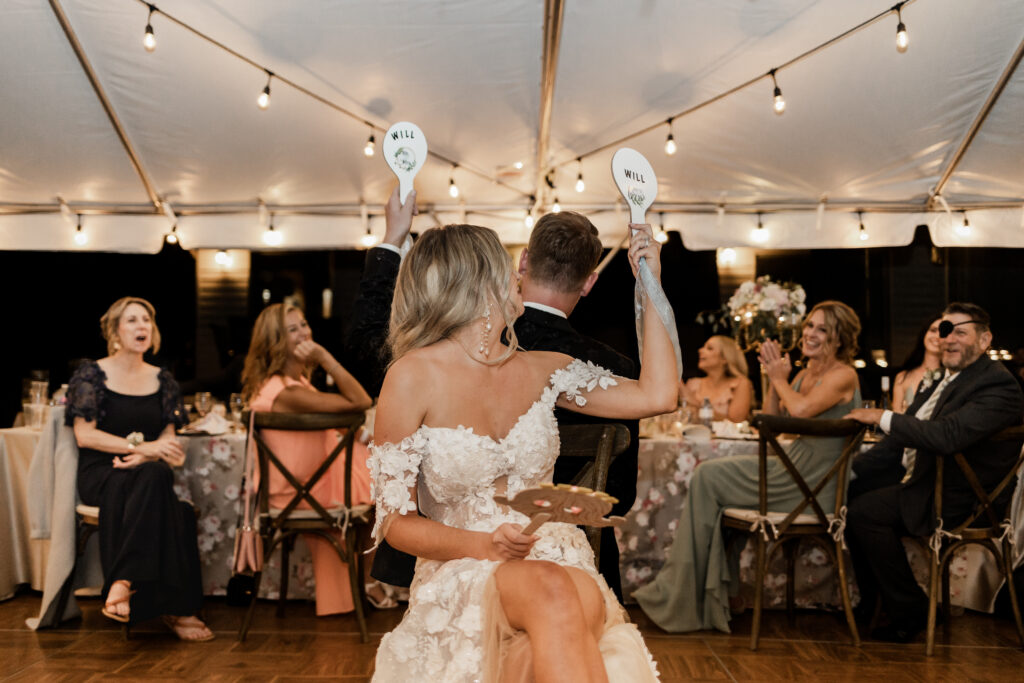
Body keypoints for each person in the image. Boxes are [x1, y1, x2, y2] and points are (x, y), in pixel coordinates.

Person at [368, 221, 676, 681]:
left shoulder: (545, 369)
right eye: (505, 267)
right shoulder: (411, 376)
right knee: (548, 617)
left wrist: (648, 280)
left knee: (548, 619)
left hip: (559, 555)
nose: (517, 277)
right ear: (479, 280)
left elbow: (659, 395)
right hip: (465, 564)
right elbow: (394, 522)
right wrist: (483, 544)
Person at [633, 300, 862, 633]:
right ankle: (712, 596)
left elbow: (799, 411)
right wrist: (773, 380)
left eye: (822, 329)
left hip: (814, 483)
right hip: (795, 470)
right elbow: (775, 423)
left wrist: (781, 379)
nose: (810, 333)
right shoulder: (804, 373)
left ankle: (689, 594)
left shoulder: (844, 374)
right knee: (710, 477)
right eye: (810, 325)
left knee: (708, 475)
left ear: (839, 338)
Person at [844, 302, 1024, 642]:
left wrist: (882, 417)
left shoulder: (998, 386)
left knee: (865, 514)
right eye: (944, 330)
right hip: (928, 482)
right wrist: (848, 471)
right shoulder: (942, 380)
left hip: (965, 501)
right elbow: (899, 442)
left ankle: (910, 611)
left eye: (960, 331)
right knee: (848, 492)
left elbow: (946, 436)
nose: (949, 339)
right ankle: (873, 605)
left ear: (985, 340)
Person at [66, 297, 212, 641]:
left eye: (146, 320)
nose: (141, 326)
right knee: (165, 495)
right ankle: (178, 609)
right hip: (104, 471)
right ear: (115, 331)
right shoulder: (92, 375)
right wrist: (140, 448)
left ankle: (123, 580)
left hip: (146, 471)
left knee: (161, 481)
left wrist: (149, 455)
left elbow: (168, 444)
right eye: (131, 320)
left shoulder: (163, 380)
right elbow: (84, 436)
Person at [513, 210, 640, 602]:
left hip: (495, 546)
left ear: (522, 261)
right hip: (584, 558)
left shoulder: (486, 348)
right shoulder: (615, 369)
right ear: (589, 282)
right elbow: (619, 493)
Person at [241, 303, 373, 616]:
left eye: (304, 324)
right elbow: (361, 401)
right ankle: (368, 584)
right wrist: (325, 358)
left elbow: (341, 423)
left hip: (306, 487)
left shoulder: (291, 386)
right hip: (300, 495)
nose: (305, 333)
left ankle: (364, 584)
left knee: (377, 472)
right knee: (387, 482)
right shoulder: (284, 392)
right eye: (293, 329)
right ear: (275, 341)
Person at [679, 335, 754, 422]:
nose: (700, 350)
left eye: (709, 348)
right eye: (703, 347)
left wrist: (695, 403)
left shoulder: (740, 384)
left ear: (724, 358)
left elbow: (736, 422)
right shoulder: (693, 384)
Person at [891, 314, 944, 413]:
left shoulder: (951, 377)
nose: (937, 336)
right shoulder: (903, 377)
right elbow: (895, 417)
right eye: (933, 330)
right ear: (924, 334)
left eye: (942, 333)